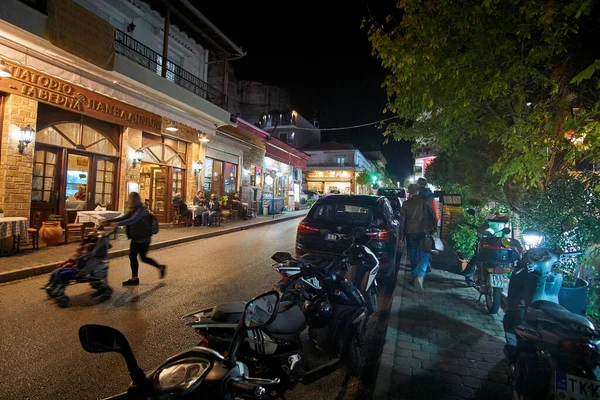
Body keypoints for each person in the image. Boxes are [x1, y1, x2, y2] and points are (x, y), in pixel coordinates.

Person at [106, 192, 166, 286]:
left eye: (129, 198)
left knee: (134, 256)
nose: (128, 200)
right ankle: (159, 267)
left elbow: (133, 220)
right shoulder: (136, 209)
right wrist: (108, 221)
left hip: (141, 238)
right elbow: (123, 218)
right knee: (142, 257)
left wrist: (117, 224)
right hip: (141, 237)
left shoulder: (141, 210)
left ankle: (135, 278)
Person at [400, 184, 437, 293]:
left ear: (409, 193)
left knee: (413, 254)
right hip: (424, 231)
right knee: (425, 253)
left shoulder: (406, 204)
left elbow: (402, 223)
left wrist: (401, 238)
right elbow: (433, 215)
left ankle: (415, 275)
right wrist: (434, 228)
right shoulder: (425, 201)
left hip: (410, 232)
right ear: (417, 191)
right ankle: (421, 275)